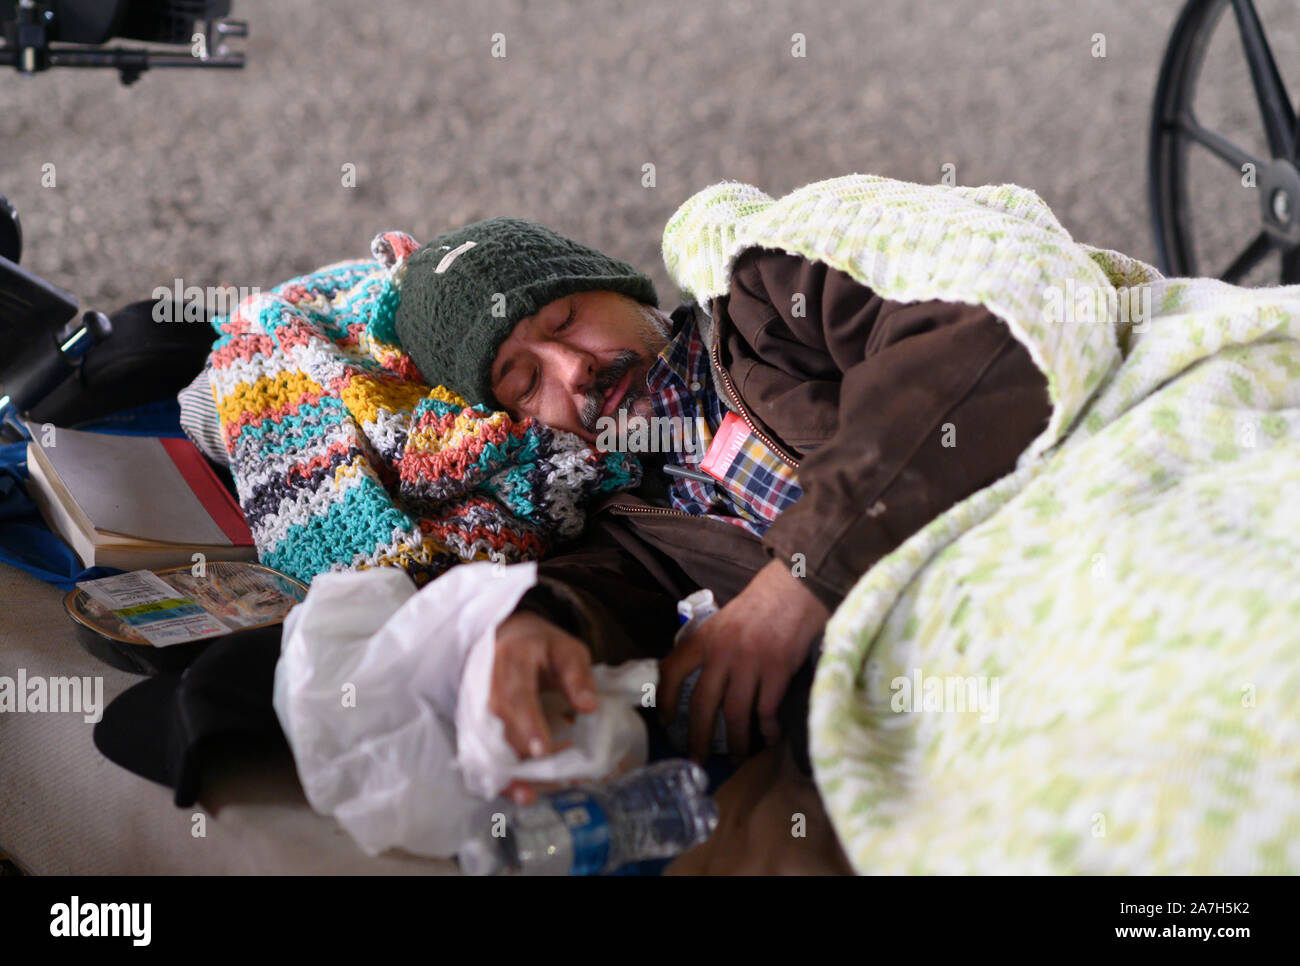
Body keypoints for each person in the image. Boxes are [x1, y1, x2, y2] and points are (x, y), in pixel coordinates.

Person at [392, 210, 1052, 869]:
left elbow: (991, 344)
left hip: (1058, 559)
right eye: (526, 382)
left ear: (624, 288)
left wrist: (800, 580)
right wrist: (528, 624)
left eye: (565, 319)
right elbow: (586, 595)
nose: (572, 370)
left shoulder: (770, 296)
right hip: (958, 720)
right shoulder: (624, 526)